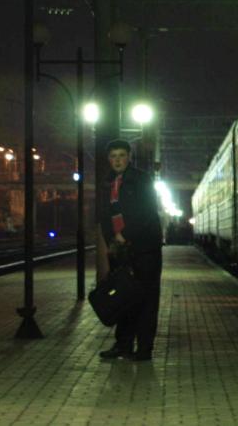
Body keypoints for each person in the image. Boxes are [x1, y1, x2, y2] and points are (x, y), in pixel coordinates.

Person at [97, 139, 163, 361]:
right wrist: (111, 243)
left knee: (146, 300)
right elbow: (105, 216)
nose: (117, 160)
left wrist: (124, 236)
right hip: (121, 250)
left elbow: (146, 213)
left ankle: (144, 348)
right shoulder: (107, 183)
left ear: (128, 157)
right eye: (113, 156)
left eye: (121, 155)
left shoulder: (141, 180)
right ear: (109, 159)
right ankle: (122, 344)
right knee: (124, 299)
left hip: (144, 249)